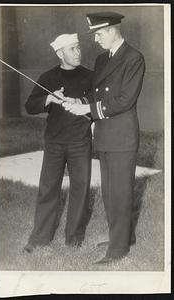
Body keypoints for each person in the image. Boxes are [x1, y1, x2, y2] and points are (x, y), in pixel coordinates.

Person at [63, 12, 145, 264]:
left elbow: (124, 101)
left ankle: (118, 250)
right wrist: (80, 101)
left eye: (98, 34)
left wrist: (88, 109)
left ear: (111, 31)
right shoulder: (102, 60)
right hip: (106, 136)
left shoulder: (134, 58)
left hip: (122, 136)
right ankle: (123, 237)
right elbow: (96, 94)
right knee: (110, 193)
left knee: (119, 193)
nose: (96, 39)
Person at [24, 33, 93, 253]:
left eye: (78, 48)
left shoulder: (90, 76)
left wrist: (80, 101)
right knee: (48, 189)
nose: (78, 52)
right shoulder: (48, 77)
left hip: (80, 142)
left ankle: (74, 239)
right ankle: (40, 238)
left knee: (80, 190)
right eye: (72, 49)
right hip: (54, 143)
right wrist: (49, 98)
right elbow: (30, 106)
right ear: (60, 53)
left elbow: (97, 100)